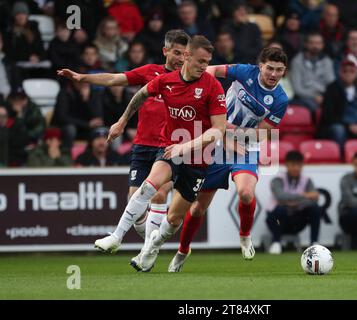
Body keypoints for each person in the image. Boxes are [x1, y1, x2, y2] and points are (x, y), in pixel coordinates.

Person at [105, 35, 227, 272]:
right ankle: (117, 237)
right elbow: (140, 94)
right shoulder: (166, 80)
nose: (204, 66)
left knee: (172, 221)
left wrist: (187, 146)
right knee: (149, 186)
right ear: (187, 56)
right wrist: (121, 121)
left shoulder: (213, 86)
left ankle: (152, 248)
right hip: (170, 149)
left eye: (208, 61)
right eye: (201, 61)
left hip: (198, 159)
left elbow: (219, 129)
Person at [58, 29, 190, 244]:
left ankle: (147, 251)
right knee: (134, 201)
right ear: (165, 51)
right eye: (176, 53)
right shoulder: (150, 72)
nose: (181, 58)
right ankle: (154, 238)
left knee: (158, 193)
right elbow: (113, 79)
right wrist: (82, 77)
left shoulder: (190, 80)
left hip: (169, 146)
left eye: (185, 54)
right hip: (142, 145)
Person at [168, 46, 289, 272]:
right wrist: (207, 98)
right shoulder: (244, 72)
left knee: (245, 193)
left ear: (284, 71)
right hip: (216, 144)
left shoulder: (281, 99)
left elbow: (261, 133)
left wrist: (226, 128)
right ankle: (182, 251)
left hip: (246, 147)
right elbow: (210, 71)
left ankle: (244, 235)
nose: (273, 74)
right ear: (260, 66)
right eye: (270, 68)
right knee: (197, 209)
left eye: (279, 70)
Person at [266, 151, 321, 254]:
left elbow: (314, 198)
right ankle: (276, 242)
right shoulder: (278, 179)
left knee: (315, 209)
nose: (296, 168)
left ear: (302, 165)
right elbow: (281, 197)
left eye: (298, 165)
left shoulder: (307, 180)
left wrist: (293, 202)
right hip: (278, 220)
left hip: (297, 219)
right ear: (286, 165)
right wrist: (304, 195)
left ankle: (314, 243)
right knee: (280, 209)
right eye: (293, 165)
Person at [290, 32, 335, 112]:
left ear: (322, 45)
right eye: (312, 43)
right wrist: (314, 96)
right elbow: (297, 89)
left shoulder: (327, 61)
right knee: (314, 107)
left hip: (324, 96)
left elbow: (331, 84)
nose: (315, 46)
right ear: (306, 44)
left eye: (318, 43)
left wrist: (324, 97)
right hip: (304, 97)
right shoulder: (297, 61)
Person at [52, 79, 103, 146]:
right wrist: (87, 124)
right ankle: (67, 153)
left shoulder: (93, 93)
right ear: (74, 82)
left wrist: (87, 100)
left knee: (101, 130)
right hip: (70, 126)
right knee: (70, 129)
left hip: (86, 128)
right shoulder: (65, 93)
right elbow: (62, 117)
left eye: (86, 80)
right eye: (80, 81)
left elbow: (98, 117)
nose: (84, 84)